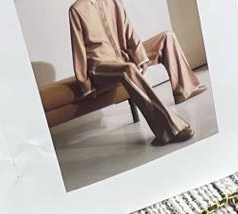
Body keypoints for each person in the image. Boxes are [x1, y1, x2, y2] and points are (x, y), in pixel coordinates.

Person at [67, 0, 205, 146]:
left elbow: (128, 30)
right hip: (100, 66)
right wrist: (85, 84)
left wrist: (140, 56)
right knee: (129, 69)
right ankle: (168, 130)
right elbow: (78, 49)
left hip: (122, 57)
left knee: (166, 37)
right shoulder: (77, 10)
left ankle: (185, 89)